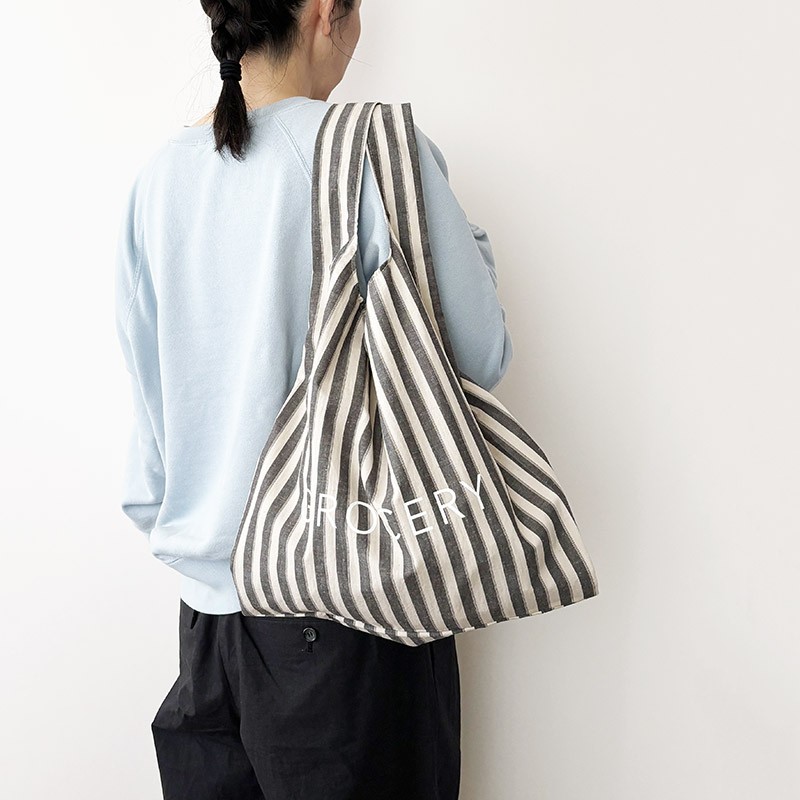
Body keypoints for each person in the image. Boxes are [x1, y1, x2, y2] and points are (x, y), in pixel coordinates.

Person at [113, 1, 513, 798]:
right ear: (328, 13)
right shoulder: (373, 151)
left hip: (207, 629)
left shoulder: (160, 178)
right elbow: (481, 356)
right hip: (346, 613)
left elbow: (152, 431)